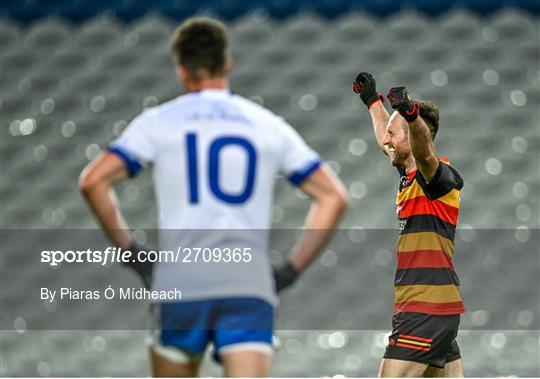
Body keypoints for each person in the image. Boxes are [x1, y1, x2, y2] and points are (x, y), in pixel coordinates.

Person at [79, 17, 348, 377]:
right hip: (246, 281)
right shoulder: (266, 124)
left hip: (181, 280)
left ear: (182, 71)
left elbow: (93, 182)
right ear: (227, 64)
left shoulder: (159, 122)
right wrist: (290, 271)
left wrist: (133, 255)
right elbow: (333, 197)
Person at [352, 73, 465, 377]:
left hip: (424, 310)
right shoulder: (408, 174)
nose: (386, 140)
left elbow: (424, 152)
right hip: (434, 308)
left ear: (416, 135)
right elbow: (388, 139)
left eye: (394, 133)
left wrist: (412, 116)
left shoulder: (438, 178)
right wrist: (372, 101)